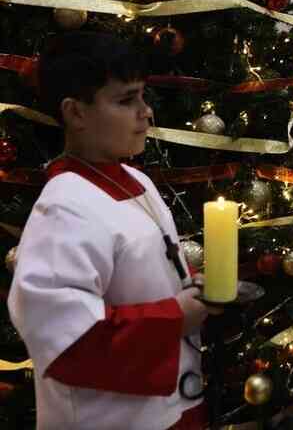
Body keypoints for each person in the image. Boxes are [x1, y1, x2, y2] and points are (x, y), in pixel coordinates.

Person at [8, 32, 217, 429]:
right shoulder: (64, 206)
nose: (146, 113)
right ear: (76, 113)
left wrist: (193, 292)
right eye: (126, 100)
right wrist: (176, 315)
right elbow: (66, 336)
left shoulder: (137, 181)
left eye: (143, 97)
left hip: (171, 409)